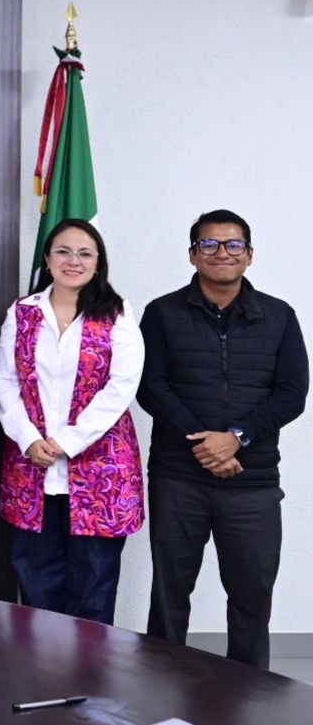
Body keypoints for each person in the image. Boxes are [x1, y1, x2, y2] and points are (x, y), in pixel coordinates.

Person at [139, 209, 307, 668]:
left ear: (249, 255)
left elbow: (292, 394)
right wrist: (206, 445)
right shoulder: (162, 313)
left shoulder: (279, 316)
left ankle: (248, 693)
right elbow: (152, 387)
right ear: (193, 254)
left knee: (252, 597)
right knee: (170, 592)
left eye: (233, 244)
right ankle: (158, 689)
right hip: (178, 478)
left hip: (252, 483)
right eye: (209, 244)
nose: (222, 253)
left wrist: (237, 437)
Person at [0, 218, 144, 624]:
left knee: (94, 583)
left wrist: (68, 441)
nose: (73, 261)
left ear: (98, 263)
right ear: (47, 259)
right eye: (63, 251)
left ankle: (91, 665)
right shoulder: (23, 312)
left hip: (100, 469)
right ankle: (41, 663)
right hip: (32, 464)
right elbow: (6, 382)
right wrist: (29, 438)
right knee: (36, 580)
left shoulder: (117, 313)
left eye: (84, 253)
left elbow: (122, 386)